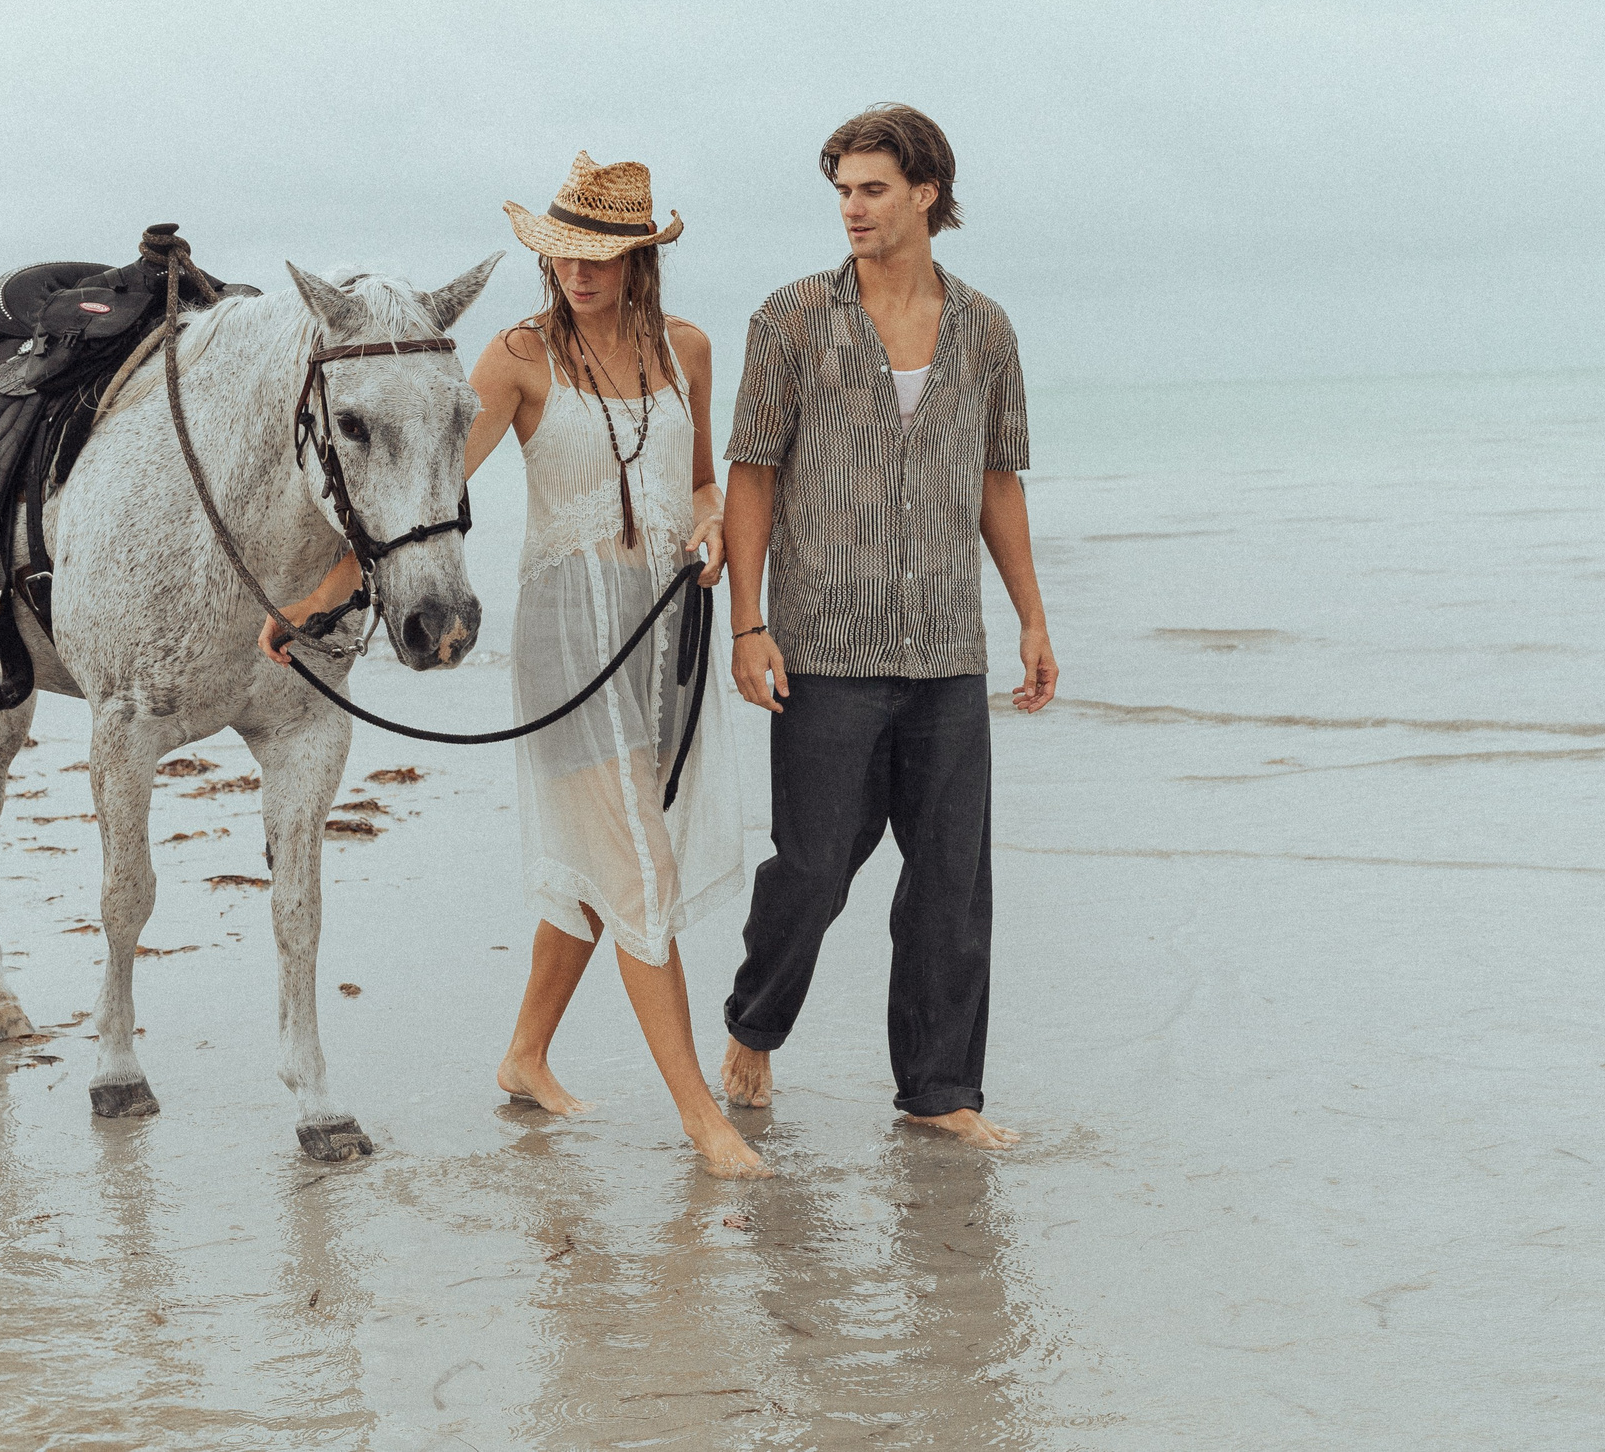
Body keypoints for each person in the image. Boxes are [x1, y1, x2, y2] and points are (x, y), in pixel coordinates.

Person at [262, 152, 767, 1179]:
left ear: (637, 257)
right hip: (566, 637)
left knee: (603, 858)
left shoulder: (689, 351)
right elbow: (422, 492)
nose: (574, 274)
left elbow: (705, 482)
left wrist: (712, 532)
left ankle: (525, 1055)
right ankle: (702, 1123)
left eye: (596, 256)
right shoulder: (517, 357)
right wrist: (318, 599)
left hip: (664, 633)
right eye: (559, 254)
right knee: (635, 861)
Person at [718, 104, 1058, 1150]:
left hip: (947, 648)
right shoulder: (789, 320)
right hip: (824, 643)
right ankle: (754, 1023)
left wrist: (1031, 621)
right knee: (813, 867)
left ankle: (939, 1093)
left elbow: (996, 480)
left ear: (926, 195)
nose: (851, 209)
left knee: (951, 883)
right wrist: (747, 625)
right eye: (841, 190)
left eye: (871, 188)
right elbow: (751, 476)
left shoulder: (986, 328)